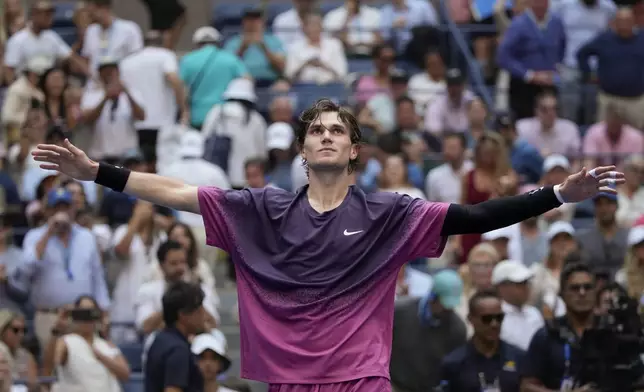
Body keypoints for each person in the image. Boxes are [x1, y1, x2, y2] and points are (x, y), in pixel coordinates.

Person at [32, 98, 624, 392]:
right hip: (287, 378)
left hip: (361, 375)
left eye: (337, 130)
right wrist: (98, 173)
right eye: (315, 130)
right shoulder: (262, 209)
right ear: (303, 149)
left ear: (354, 150)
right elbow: (180, 192)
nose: (325, 136)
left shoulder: (388, 213)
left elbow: (475, 216)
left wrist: (554, 194)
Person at [439, 290, 523, 392]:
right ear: (471, 319)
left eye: (499, 318)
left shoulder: (519, 358)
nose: (494, 324)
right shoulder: (454, 363)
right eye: (487, 319)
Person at [144, 281, 207, 392]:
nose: (204, 315)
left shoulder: (159, 340)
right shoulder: (178, 350)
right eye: (199, 311)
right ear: (182, 315)